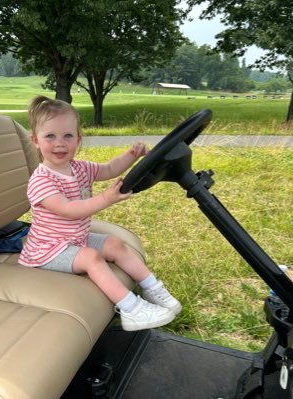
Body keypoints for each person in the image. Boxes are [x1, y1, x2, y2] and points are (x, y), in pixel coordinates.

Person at [19, 95, 182, 331]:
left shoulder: (80, 167)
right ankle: (132, 309)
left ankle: (153, 287)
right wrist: (106, 198)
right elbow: (69, 210)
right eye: (50, 136)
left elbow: (108, 169)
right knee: (90, 258)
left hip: (75, 239)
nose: (60, 143)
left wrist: (131, 156)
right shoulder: (41, 181)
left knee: (114, 245)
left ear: (78, 139)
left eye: (68, 135)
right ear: (36, 140)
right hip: (48, 250)